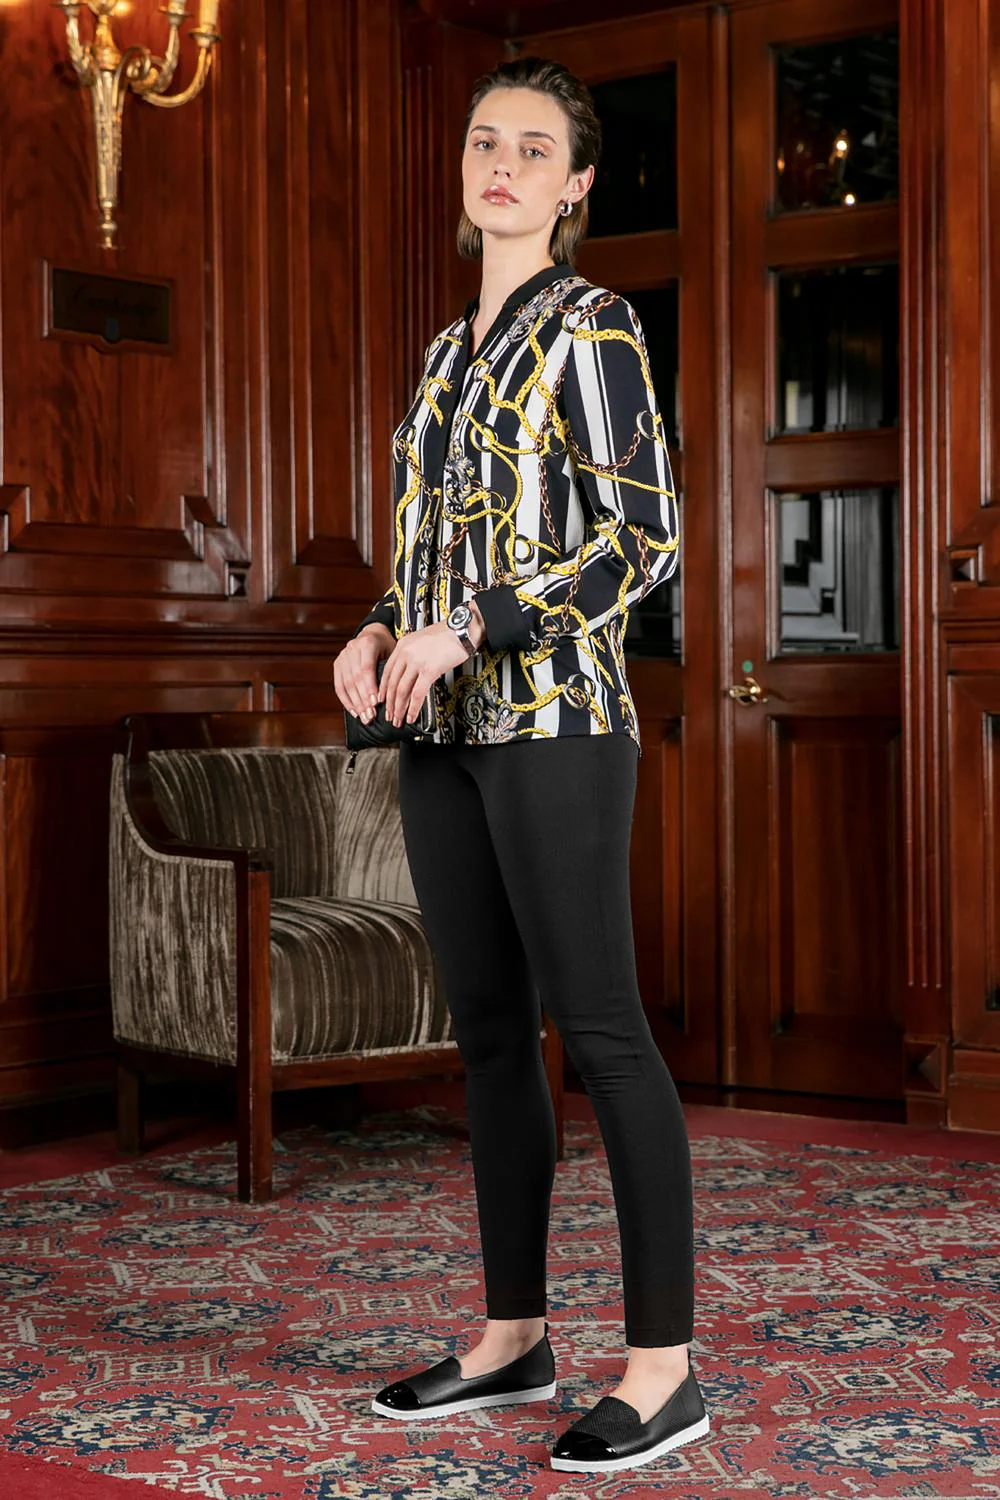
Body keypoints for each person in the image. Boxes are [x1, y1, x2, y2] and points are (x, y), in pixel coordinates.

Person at [333, 55, 709, 1476]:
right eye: (486, 140)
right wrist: (378, 630)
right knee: (488, 1037)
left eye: (534, 148)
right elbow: (425, 555)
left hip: (558, 724)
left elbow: (642, 543)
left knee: (600, 1031)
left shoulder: (594, 326)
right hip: (439, 736)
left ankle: (664, 1372)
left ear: (576, 184)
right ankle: (513, 1338)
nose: (502, 164)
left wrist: (475, 627)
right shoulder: (443, 356)